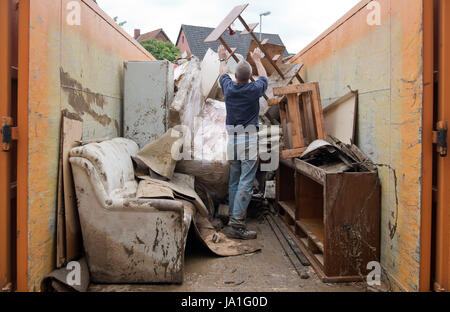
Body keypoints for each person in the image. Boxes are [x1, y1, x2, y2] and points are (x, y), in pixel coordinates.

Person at [217, 45, 268, 240]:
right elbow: (265, 78)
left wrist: (222, 58)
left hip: (232, 140)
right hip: (248, 139)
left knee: (235, 179)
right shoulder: (254, 89)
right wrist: (257, 59)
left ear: (235, 76)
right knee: (246, 181)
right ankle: (236, 225)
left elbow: (222, 73)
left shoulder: (228, 88)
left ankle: (232, 216)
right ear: (249, 76)